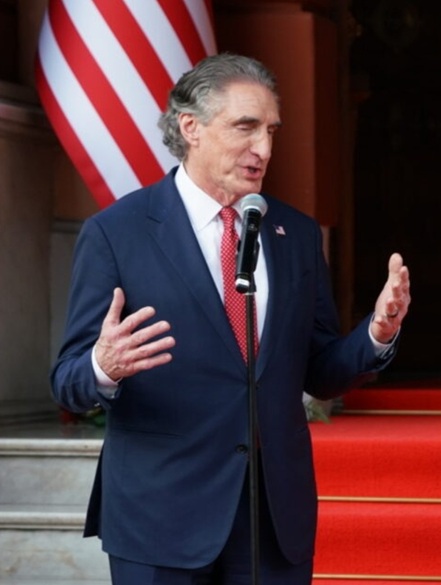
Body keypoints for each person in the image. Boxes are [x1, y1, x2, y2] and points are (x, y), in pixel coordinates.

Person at [50, 53, 411, 584]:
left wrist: (377, 334)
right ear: (190, 127)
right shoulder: (117, 233)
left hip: (272, 516)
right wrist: (103, 365)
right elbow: (67, 382)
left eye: (271, 131)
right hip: (161, 517)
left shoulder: (296, 235)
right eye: (246, 127)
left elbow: (320, 369)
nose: (263, 149)